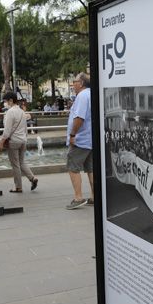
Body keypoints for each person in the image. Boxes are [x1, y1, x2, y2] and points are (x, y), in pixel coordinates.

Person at [0, 91, 38, 193]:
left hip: (13, 142)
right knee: (22, 162)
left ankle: (18, 187)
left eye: (5, 101)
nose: (5, 103)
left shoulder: (10, 112)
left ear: (11, 100)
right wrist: (25, 138)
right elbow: (25, 128)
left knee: (15, 165)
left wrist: (1, 142)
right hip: (23, 140)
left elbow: (7, 130)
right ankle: (32, 178)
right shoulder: (21, 111)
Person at [65, 73, 94, 209]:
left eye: (74, 81)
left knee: (73, 167)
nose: (73, 84)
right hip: (91, 139)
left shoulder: (82, 96)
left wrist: (72, 135)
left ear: (81, 83)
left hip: (80, 139)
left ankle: (78, 197)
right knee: (91, 169)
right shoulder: (92, 94)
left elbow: (79, 118)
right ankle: (95, 196)